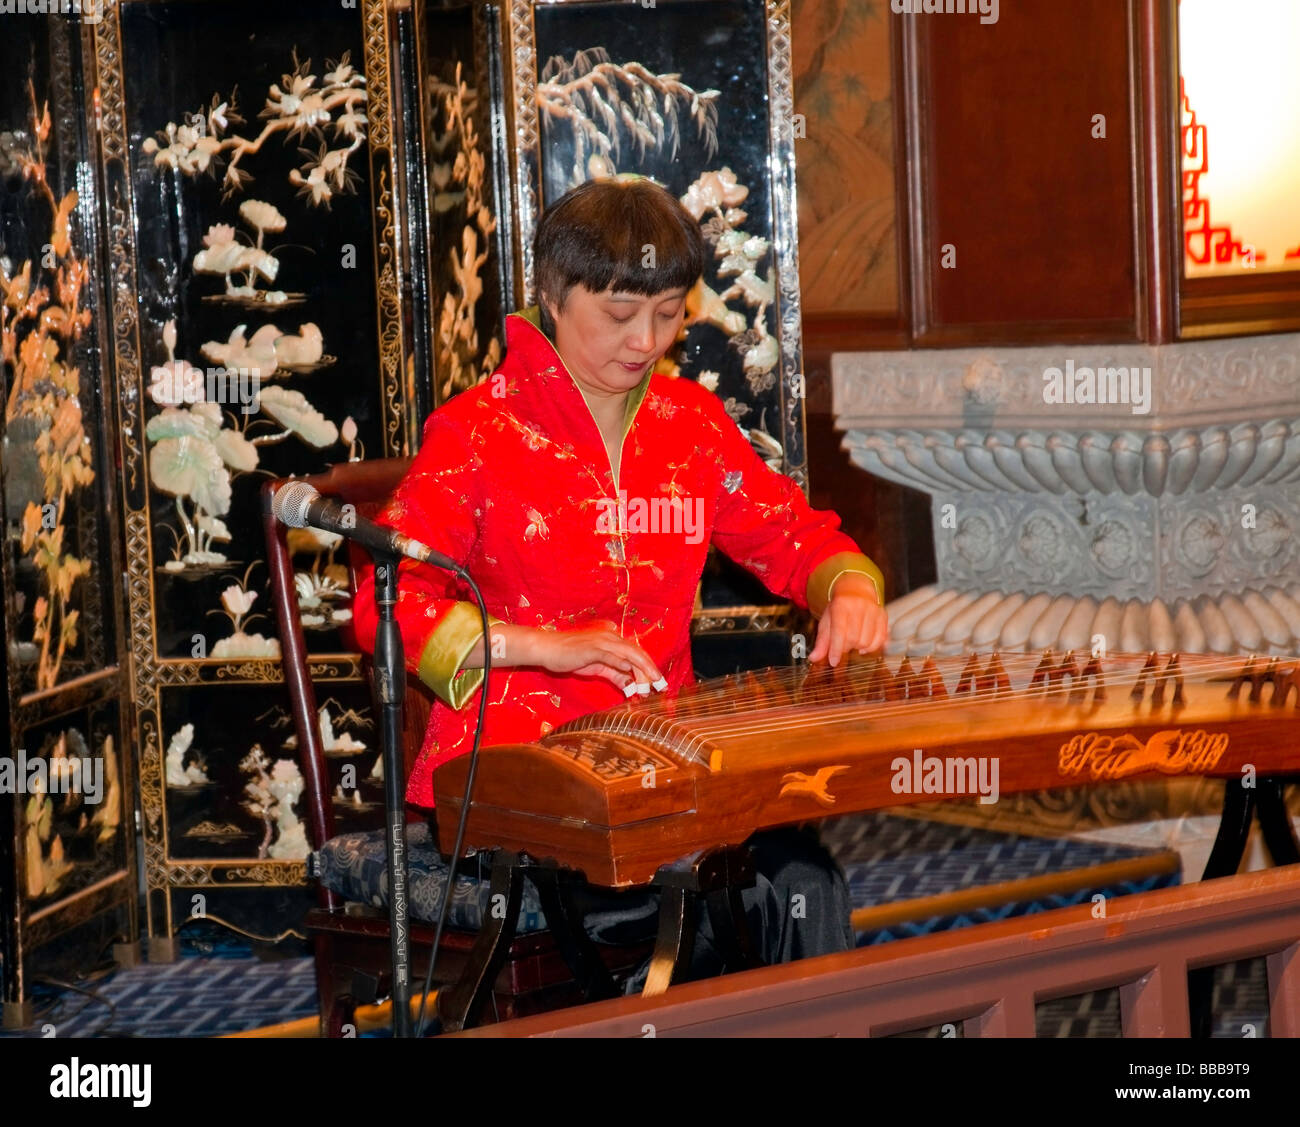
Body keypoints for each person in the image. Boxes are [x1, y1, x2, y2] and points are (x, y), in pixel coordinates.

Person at [351, 177, 889, 989]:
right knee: (669, 901)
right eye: (619, 314)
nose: (646, 339)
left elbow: (790, 535)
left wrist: (846, 586)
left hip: (662, 760)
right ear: (553, 295)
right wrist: (546, 648)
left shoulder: (690, 426)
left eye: (670, 312)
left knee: (800, 881)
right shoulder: (477, 433)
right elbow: (393, 606)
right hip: (515, 771)